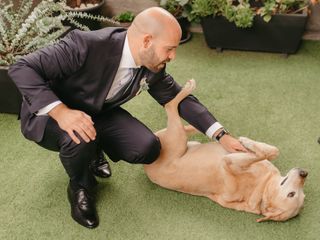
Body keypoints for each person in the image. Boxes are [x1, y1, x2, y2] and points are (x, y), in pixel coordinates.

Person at [9, 7, 247, 229]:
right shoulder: (85, 44)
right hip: (51, 117)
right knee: (79, 137)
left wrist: (221, 135)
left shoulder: (152, 65)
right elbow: (22, 68)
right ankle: (80, 186)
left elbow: (178, 98)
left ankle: (94, 152)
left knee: (147, 148)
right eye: (170, 48)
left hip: (98, 112)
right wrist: (61, 112)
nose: (173, 56)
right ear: (146, 41)